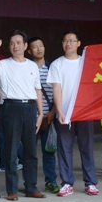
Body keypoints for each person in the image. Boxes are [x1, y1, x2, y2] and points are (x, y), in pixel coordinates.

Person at [0, 30, 44, 201]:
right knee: (11, 150)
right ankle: (12, 190)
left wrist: (40, 113)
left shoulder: (32, 66)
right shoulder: (3, 64)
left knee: (31, 150)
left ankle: (31, 187)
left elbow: (38, 90)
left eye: (18, 42)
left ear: (25, 46)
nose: (15, 46)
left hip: (30, 107)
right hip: (10, 107)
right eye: (11, 43)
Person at [48, 31, 100, 197]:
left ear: (78, 43)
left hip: (84, 112)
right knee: (64, 149)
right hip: (65, 113)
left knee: (87, 148)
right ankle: (66, 183)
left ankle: (90, 183)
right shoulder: (57, 64)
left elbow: (94, 86)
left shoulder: (87, 63)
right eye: (65, 41)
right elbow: (57, 89)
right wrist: (60, 111)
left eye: (71, 41)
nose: (68, 44)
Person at [27, 37, 59, 193]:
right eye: (35, 46)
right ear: (29, 51)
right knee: (30, 152)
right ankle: (30, 184)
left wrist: (52, 113)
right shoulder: (26, 68)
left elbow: (58, 93)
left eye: (41, 45)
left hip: (48, 118)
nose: (39, 49)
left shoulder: (53, 68)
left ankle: (50, 181)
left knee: (49, 151)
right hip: (31, 117)